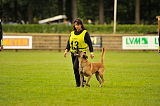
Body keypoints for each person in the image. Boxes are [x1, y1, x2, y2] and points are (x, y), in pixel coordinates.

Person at [64, 18, 94, 87]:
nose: (76, 26)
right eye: (75, 25)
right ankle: (79, 83)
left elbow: (89, 43)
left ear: (81, 25)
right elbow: (69, 43)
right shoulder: (72, 33)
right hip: (73, 53)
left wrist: (91, 52)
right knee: (75, 69)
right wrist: (66, 50)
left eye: (78, 25)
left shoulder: (85, 33)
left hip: (81, 54)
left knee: (76, 67)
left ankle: (81, 82)